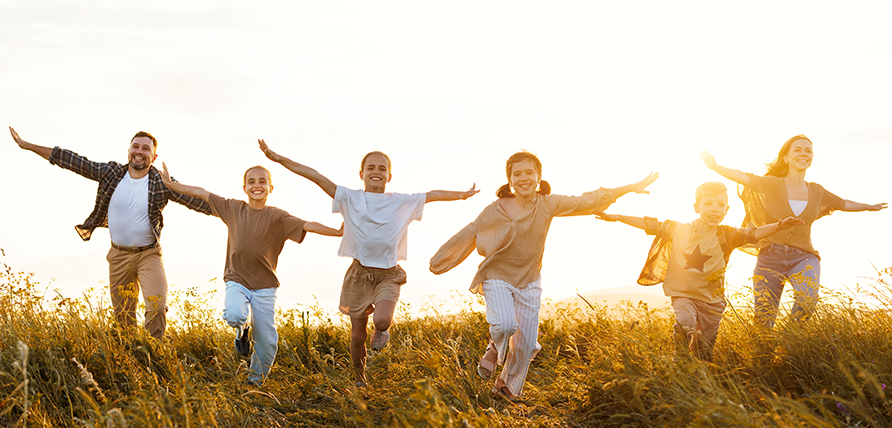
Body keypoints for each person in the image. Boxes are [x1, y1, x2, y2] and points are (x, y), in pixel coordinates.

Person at [429, 151, 659, 400]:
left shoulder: (547, 204)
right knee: (505, 324)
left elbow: (586, 200)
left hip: (529, 281)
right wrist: (440, 261)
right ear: (509, 180)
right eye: (517, 174)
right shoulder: (493, 210)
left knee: (526, 344)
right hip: (496, 275)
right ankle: (495, 347)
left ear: (539, 177)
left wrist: (630, 188)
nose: (524, 178)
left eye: (529, 172)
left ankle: (505, 388)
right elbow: (471, 232)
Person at [258, 139, 479, 387]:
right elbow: (315, 176)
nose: (377, 171)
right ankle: (360, 378)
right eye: (371, 167)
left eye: (382, 168)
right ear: (361, 174)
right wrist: (278, 159)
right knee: (357, 336)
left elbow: (433, 195)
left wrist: (462, 196)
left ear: (389, 176)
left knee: (383, 320)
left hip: (388, 274)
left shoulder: (401, 201)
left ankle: (381, 330)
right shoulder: (349, 198)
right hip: (359, 274)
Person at [8, 126, 213, 339]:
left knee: (157, 306)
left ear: (154, 156)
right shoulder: (111, 173)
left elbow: (199, 202)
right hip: (118, 256)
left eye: (145, 149)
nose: (139, 151)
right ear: (128, 150)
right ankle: (132, 356)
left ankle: (156, 352)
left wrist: (240, 211)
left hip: (149, 255)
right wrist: (27, 145)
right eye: (136, 146)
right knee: (123, 318)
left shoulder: (162, 182)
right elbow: (71, 160)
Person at [159, 162, 342, 385]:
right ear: (244, 187)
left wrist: (336, 232)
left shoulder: (278, 217)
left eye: (262, 181)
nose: (257, 185)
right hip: (237, 279)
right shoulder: (233, 208)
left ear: (271, 188)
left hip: (265, 287)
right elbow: (202, 193)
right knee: (235, 314)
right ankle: (241, 331)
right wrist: (171, 184)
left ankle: (255, 381)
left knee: (267, 340)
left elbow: (307, 225)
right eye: (251, 181)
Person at [595, 182, 803, 361]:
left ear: (727, 209)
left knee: (705, 353)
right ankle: (681, 359)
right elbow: (650, 224)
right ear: (697, 207)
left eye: (720, 205)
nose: (715, 209)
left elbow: (754, 233)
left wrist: (779, 225)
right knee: (686, 324)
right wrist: (618, 216)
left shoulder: (727, 235)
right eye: (708, 203)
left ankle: (697, 375)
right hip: (684, 295)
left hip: (713, 302)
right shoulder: (679, 230)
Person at [701, 135, 887, 328]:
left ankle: (791, 341)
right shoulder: (773, 184)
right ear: (786, 158)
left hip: (804, 256)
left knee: (808, 299)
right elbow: (744, 177)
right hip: (770, 257)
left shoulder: (817, 191)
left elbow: (843, 203)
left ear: (812, 157)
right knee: (764, 319)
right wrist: (715, 166)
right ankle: (763, 354)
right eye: (797, 149)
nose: (804, 153)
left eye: (808, 150)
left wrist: (869, 206)